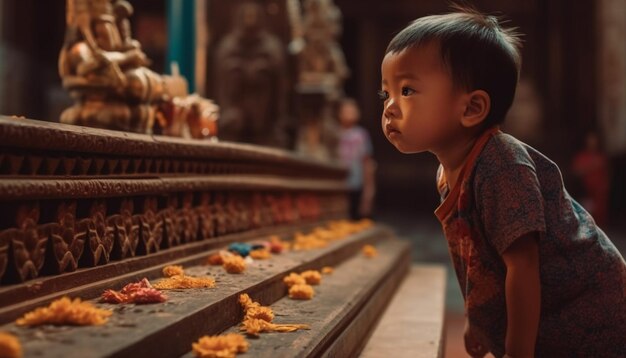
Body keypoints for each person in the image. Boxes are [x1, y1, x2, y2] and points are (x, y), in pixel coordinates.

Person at [379, 5, 626, 358]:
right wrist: (476, 320)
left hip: (589, 313)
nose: (389, 107)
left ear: (471, 109)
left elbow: (522, 265)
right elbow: (476, 256)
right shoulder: (451, 170)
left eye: (407, 91)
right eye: (385, 93)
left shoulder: (501, 165)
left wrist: (517, 351)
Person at [337, 98, 375, 219]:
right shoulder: (335, 134)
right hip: (338, 185)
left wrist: (369, 192)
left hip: (356, 183)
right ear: (339, 113)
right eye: (346, 110)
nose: (349, 113)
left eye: (352, 110)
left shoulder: (361, 135)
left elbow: (367, 162)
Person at [572, 132, 610, 226]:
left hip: (599, 191)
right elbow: (576, 171)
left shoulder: (600, 156)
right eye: (590, 141)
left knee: (600, 214)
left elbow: (606, 173)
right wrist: (591, 166)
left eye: (594, 141)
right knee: (587, 214)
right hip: (585, 190)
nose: (592, 143)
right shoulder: (581, 156)